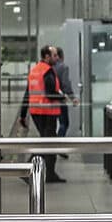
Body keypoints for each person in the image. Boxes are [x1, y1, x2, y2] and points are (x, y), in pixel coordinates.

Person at [25, 44, 67, 183]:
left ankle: (49, 174)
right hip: (47, 111)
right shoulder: (48, 71)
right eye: (54, 55)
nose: (57, 58)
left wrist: (22, 115)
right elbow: (50, 94)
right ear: (47, 57)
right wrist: (63, 97)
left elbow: (27, 93)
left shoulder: (35, 70)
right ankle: (27, 170)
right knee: (48, 143)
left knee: (47, 141)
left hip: (36, 111)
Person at [51, 45, 75, 139]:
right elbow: (66, 84)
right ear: (62, 56)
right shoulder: (63, 67)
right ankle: (58, 144)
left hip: (50, 100)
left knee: (52, 125)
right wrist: (73, 98)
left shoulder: (49, 67)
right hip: (60, 100)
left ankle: (53, 144)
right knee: (64, 123)